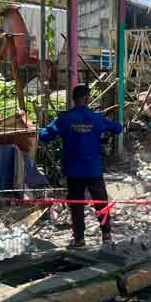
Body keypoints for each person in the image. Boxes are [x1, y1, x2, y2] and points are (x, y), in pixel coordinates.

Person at [39, 85, 122, 248]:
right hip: (93, 169)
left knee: (76, 205)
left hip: (74, 171)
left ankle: (79, 239)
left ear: (73, 99)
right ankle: (106, 235)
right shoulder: (97, 118)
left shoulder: (65, 119)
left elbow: (44, 136)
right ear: (87, 99)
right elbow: (118, 128)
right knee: (101, 202)